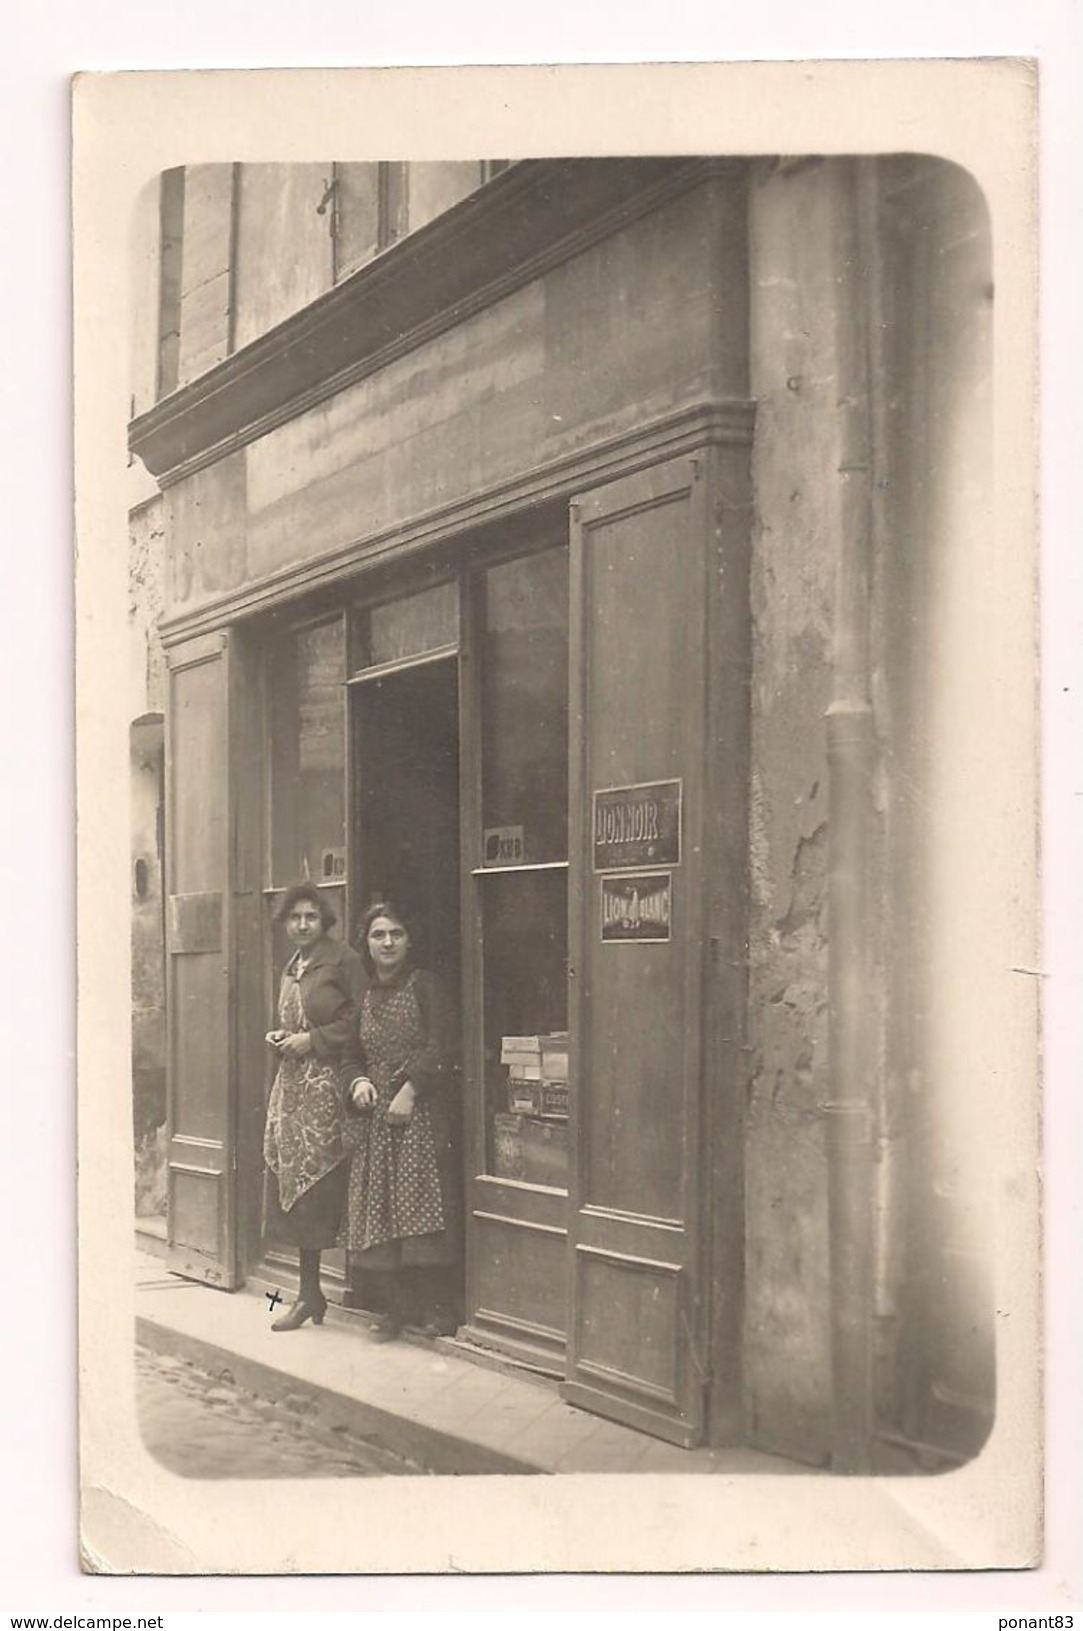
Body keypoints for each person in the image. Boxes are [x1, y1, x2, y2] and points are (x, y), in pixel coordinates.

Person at [340, 900, 459, 1341]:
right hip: (377, 1120)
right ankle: (398, 1307)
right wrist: (357, 1085)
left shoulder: (425, 986)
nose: (387, 942)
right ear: (366, 945)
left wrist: (410, 1090)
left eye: (396, 934)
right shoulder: (364, 998)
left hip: (421, 1114)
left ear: (409, 941)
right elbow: (350, 1056)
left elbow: (442, 1047)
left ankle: (439, 1306)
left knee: (425, 1208)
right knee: (387, 1210)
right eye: (378, 935)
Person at [262, 882, 365, 1331]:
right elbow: (295, 1019)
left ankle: (326, 1293)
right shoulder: (293, 965)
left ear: (324, 921)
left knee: (324, 1187)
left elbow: (363, 1019)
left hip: (329, 1087)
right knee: (297, 1188)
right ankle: (309, 1294)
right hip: (292, 1089)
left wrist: (315, 1041)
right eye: (295, 918)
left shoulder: (344, 961)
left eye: (311, 917)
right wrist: (281, 1038)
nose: (302, 924)